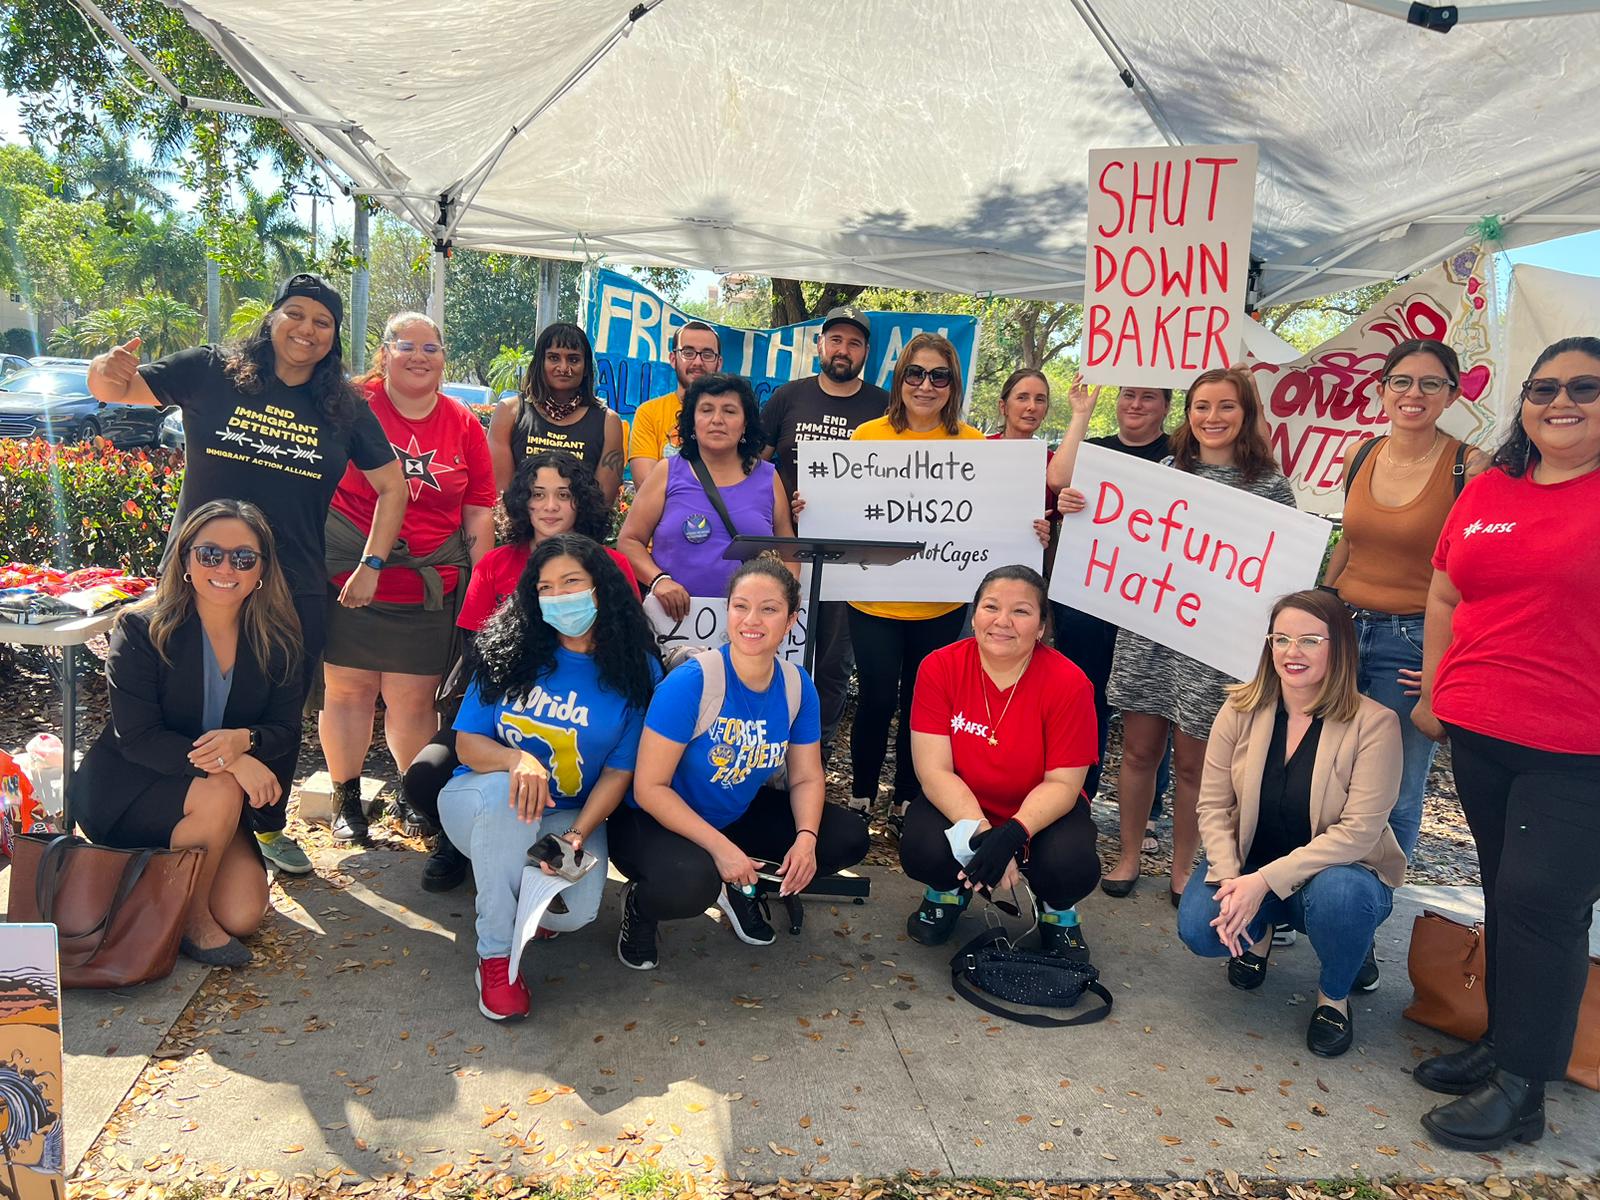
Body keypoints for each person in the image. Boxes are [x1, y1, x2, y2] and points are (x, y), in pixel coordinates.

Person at [86, 274, 405, 876]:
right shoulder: (212, 370)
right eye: (296, 313)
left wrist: (372, 563)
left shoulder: (343, 407)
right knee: (177, 688)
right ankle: (177, 807)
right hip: (200, 573)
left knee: (276, 710)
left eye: (322, 322)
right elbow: (116, 388)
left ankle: (267, 823)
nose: (306, 330)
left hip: (296, 583)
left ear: (334, 338)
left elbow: (394, 486)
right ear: (272, 318)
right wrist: (106, 365)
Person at [1409, 337, 1600, 1152]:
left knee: (1541, 905)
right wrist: (1435, 686)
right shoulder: (1490, 486)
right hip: (1481, 728)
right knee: (1501, 889)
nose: (1562, 401)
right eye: (1545, 387)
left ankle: (1525, 1088)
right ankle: (1504, 1042)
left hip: (1578, 745)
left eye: (1585, 387)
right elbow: (1447, 587)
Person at [1075, 365, 1297, 904]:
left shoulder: (1270, 485)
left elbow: (1282, 570)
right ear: (1188, 414)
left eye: (1226, 406)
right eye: (1201, 406)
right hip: (1149, 631)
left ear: (1246, 415)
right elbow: (1118, 531)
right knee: (1138, 751)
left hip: (1213, 645)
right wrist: (1079, 511)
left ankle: (1182, 869)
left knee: (1198, 763)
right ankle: (1129, 856)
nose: (1212, 417)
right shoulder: (1166, 471)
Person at [70, 500, 304, 968]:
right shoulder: (141, 629)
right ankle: (191, 919)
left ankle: (154, 891)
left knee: (242, 914)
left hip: (210, 809)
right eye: (209, 553)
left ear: (261, 570)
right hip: (132, 791)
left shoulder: (276, 640)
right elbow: (137, 737)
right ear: (185, 560)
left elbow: (284, 728)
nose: (225, 567)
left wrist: (247, 741)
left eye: (243, 558)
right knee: (220, 786)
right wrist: (232, 759)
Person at [436, 534, 660, 1020]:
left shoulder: (636, 670)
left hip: (570, 812)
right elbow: (468, 745)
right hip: (480, 799)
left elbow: (621, 770)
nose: (560, 597)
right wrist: (515, 760)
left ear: (601, 586)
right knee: (504, 793)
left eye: (572, 582)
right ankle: (496, 957)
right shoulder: (506, 649)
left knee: (576, 912)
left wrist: (577, 835)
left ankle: (515, 894)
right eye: (546, 587)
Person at [609, 559, 869, 969]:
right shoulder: (692, 682)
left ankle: (742, 887)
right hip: (653, 820)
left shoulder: (797, 684)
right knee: (691, 882)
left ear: (790, 621)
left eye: (769, 609)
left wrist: (805, 837)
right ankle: (641, 907)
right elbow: (649, 788)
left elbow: (805, 776)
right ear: (727, 611)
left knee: (843, 836)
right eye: (741, 606)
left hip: (731, 814)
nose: (752, 620)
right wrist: (721, 849)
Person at [1177, 590, 1403, 1059]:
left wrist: (1263, 882)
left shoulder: (1375, 723)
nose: (1291, 652)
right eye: (1280, 639)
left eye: (1308, 641)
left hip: (1338, 874)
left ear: (1339, 646)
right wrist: (1228, 876)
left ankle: (1334, 995)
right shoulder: (1240, 708)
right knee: (1200, 927)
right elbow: (1213, 807)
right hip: (1252, 864)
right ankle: (1258, 939)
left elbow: (1359, 832)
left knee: (1341, 899)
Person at [403, 451, 638, 892]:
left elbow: (627, 645)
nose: (550, 506)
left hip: (581, 720)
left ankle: (553, 846)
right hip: (500, 714)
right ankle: (461, 844)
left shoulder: (612, 566)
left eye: (563, 495)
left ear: (580, 503)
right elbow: (474, 648)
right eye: (537, 495)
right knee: (423, 778)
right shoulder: (495, 563)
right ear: (521, 504)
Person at [846, 333, 1050, 820]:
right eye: (915, 373)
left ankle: (908, 798)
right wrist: (812, 510)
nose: (925, 385)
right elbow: (847, 508)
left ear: (952, 384)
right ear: (900, 379)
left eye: (939, 376)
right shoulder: (866, 437)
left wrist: (1031, 530)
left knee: (923, 704)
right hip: (872, 600)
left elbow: (995, 516)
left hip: (940, 601)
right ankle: (860, 793)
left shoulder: (974, 443)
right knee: (874, 698)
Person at [320, 312, 497, 844]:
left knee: (413, 700)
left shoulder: (463, 423)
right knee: (347, 691)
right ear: (385, 353)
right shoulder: (351, 403)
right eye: (406, 346)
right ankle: (346, 798)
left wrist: (482, 595)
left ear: (444, 357)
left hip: (427, 586)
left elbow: (479, 510)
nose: (419, 356)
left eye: (431, 347)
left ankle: (410, 793)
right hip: (349, 579)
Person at [1323, 339, 1485, 862]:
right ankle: (1304, 897)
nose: (1414, 393)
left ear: (1451, 395)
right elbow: (1348, 542)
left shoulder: (1470, 465)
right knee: (1323, 773)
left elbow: (1476, 574)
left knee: (1393, 788)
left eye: (1431, 383)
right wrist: (1319, 609)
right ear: (1382, 390)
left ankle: (1364, 916)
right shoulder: (1360, 454)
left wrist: (1445, 663)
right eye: (1402, 381)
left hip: (1414, 644)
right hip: (1342, 632)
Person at [900, 565, 1100, 956]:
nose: (1002, 621)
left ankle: (1056, 908)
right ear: (974, 615)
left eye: (1021, 611)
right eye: (991, 607)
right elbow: (933, 770)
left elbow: (1064, 784)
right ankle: (948, 892)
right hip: (963, 802)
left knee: (1070, 864)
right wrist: (981, 834)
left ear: (1042, 626)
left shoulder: (1070, 682)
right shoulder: (939, 667)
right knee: (922, 847)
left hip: (1041, 811)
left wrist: (1010, 835)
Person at [761, 305, 890, 758]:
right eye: (835, 339)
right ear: (820, 345)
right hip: (787, 549)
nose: (843, 349)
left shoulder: (884, 405)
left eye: (854, 343)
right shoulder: (788, 397)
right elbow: (754, 466)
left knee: (833, 661)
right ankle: (768, 747)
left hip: (850, 556)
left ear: (865, 353)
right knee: (775, 647)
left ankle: (817, 751)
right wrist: (781, 499)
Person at [1046, 381, 1174, 815]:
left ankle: (1149, 810)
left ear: (1166, 406)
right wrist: (1080, 412)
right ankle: (1080, 797)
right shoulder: (1095, 449)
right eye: (1128, 395)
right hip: (1089, 598)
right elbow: (1058, 478)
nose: (1136, 404)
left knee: (1153, 707)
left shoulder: (1184, 455)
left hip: (1156, 602)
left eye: (1148, 396)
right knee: (1086, 698)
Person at [617, 373, 798, 621]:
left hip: (751, 625)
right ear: (692, 421)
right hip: (674, 624)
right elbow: (629, 541)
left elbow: (788, 550)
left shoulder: (768, 478)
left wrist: (784, 600)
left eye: (729, 411)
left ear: (745, 423)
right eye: (706, 410)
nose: (717, 420)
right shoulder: (667, 472)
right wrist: (658, 580)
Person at [489, 322, 624, 504]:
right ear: (539, 363)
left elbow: (601, 504)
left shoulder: (608, 422)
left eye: (573, 359)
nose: (563, 367)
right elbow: (501, 497)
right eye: (553, 358)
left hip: (581, 531)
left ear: (586, 368)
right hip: (519, 528)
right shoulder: (510, 412)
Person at [628, 321, 724, 488]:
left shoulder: (732, 416)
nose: (698, 362)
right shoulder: (649, 413)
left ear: (719, 363)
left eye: (707, 355)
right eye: (688, 353)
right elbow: (647, 487)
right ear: (673, 359)